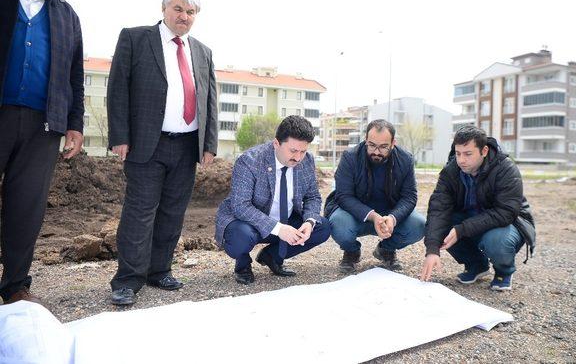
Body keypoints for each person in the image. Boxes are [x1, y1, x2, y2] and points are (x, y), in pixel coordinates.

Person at [107, 0, 218, 305]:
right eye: (179, 9)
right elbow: (117, 90)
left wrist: (208, 143)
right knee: (139, 213)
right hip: (146, 143)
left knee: (173, 212)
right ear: (164, 9)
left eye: (191, 12)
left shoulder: (203, 51)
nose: (184, 16)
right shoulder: (135, 38)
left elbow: (209, 99)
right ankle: (127, 280)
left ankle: (159, 270)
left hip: (186, 147)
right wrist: (120, 137)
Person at [0, 0, 84, 305]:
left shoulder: (67, 15)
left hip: (42, 126)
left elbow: (74, 76)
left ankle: (15, 285)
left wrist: (75, 123)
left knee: (26, 207)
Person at [215, 115, 331, 285]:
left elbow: (312, 196)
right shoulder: (249, 161)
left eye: (303, 151)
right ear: (276, 143)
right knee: (242, 237)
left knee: (323, 227)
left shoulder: (307, 161)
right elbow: (241, 206)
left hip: (286, 219)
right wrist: (278, 228)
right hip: (250, 223)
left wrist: (309, 221)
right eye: (293, 151)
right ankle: (243, 265)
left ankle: (272, 256)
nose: (298, 158)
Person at [420, 125, 535, 291]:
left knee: (496, 241)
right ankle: (476, 265)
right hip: (471, 222)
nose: (461, 160)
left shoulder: (506, 169)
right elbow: (438, 210)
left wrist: (462, 229)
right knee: (439, 225)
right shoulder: (450, 172)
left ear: (484, 151)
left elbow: (506, 212)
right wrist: (432, 250)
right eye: (458, 153)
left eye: (468, 154)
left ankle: (503, 271)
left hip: (506, 225)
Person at [324, 119, 425, 273]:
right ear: (366, 141)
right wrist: (372, 216)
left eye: (383, 147)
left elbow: (409, 196)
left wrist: (393, 217)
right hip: (355, 214)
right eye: (372, 145)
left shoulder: (406, 159)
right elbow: (343, 196)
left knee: (419, 224)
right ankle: (351, 252)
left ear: (393, 143)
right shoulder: (350, 157)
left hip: (389, 217)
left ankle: (386, 250)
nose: (376, 152)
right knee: (338, 224)